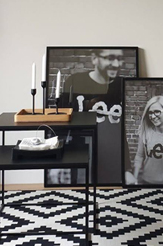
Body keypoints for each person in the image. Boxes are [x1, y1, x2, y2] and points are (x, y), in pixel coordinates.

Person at [53, 49, 127, 185]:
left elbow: (121, 129)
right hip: (80, 145)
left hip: (111, 149)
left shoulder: (121, 84)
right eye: (110, 58)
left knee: (109, 185)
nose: (116, 64)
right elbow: (64, 120)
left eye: (120, 59)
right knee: (79, 185)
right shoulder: (74, 81)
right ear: (94, 58)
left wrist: (127, 166)